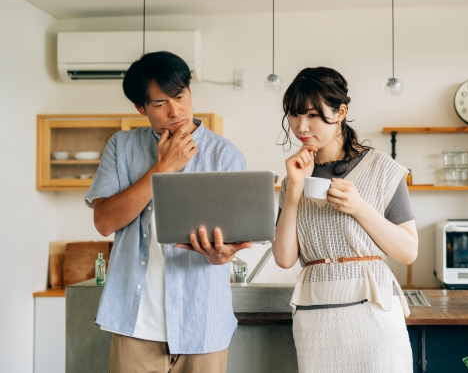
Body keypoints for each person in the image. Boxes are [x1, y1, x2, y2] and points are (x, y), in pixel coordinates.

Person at [85, 51, 251, 373]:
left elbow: (233, 240)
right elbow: (104, 222)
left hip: (203, 321)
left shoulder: (225, 155)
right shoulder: (122, 147)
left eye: (180, 96)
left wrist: (222, 255)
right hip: (135, 325)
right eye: (160, 104)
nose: (175, 111)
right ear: (140, 108)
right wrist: (162, 169)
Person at [272, 67, 418, 373]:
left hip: (375, 319)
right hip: (316, 320)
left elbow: (408, 252)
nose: (301, 126)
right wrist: (294, 189)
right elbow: (285, 259)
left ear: (340, 113)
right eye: (294, 115)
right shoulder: (294, 177)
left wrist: (360, 207)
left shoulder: (382, 169)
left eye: (312, 115)